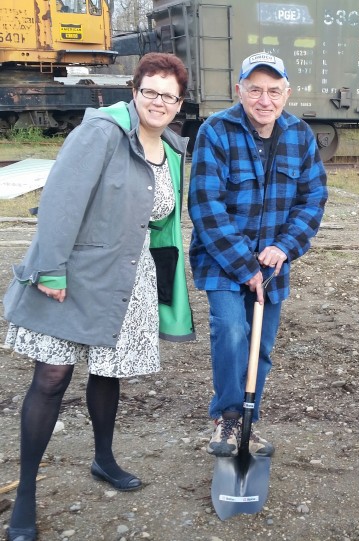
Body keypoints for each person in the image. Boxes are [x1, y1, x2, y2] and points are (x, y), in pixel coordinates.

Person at [2, 52, 195, 541]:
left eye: (168, 96)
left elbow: (163, 223)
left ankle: (103, 459)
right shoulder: (101, 131)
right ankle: (25, 493)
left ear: (179, 104)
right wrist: (50, 267)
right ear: (134, 90)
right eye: (150, 91)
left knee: (109, 373)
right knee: (50, 378)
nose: (158, 101)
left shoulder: (171, 148)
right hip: (74, 274)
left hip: (130, 278)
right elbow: (62, 201)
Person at [188, 52, 327, 458]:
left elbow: (313, 198)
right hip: (222, 260)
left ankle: (250, 419)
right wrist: (244, 265)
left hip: (273, 264)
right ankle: (228, 418)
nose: (264, 100)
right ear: (240, 91)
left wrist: (284, 246)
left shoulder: (300, 135)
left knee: (261, 346)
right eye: (255, 90)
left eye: (273, 91)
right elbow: (205, 206)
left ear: (286, 92)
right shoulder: (215, 131)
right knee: (232, 332)